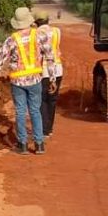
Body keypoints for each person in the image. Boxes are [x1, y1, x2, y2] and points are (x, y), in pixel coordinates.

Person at [0, 7, 55, 155]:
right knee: (35, 110)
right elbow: (50, 57)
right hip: (35, 80)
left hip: (18, 82)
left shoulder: (11, 39)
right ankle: (39, 144)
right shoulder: (40, 35)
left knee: (20, 111)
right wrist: (52, 79)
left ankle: (23, 144)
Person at [35, 9, 63, 138]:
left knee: (42, 100)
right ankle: (49, 128)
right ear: (48, 20)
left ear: (36, 22)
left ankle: (44, 129)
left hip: (44, 70)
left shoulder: (35, 34)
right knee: (52, 99)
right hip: (57, 69)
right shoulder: (57, 31)